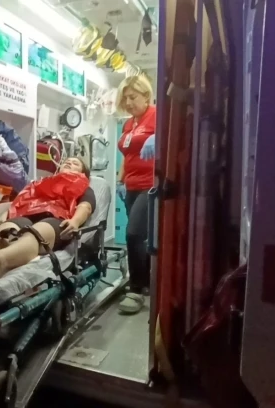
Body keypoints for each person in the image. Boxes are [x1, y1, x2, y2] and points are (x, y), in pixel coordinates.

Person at [0, 157, 95, 280]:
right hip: (26, 215)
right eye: (67, 161)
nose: (69, 163)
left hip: (56, 219)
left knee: (34, 233)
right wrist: (3, 216)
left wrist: (75, 221)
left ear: (83, 173)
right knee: (2, 234)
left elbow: (86, 206)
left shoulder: (83, 187)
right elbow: (20, 202)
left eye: (75, 163)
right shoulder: (41, 183)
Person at [115, 74, 156, 314]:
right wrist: (120, 180)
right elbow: (126, 156)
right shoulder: (129, 124)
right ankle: (147, 280)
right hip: (130, 185)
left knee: (133, 233)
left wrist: (157, 136)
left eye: (133, 97)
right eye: (125, 99)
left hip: (150, 184)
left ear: (146, 95)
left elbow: (175, 138)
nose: (129, 103)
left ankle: (136, 289)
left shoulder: (157, 115)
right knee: (142, 236)